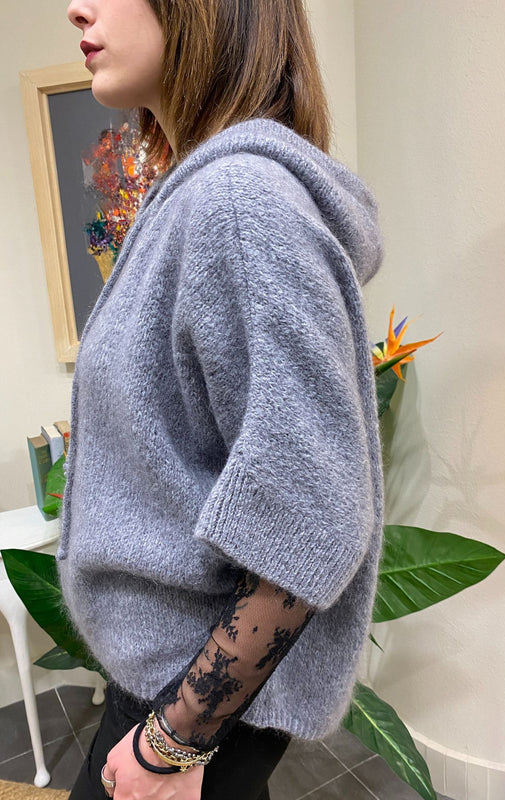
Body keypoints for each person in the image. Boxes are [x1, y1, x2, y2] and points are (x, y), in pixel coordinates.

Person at [61, 1, 385, 798]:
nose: (76, 6)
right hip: (181, 688)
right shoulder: (196, 196)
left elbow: (311, 511)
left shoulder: (237, 201)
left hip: (191, 703)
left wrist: (171, 745)